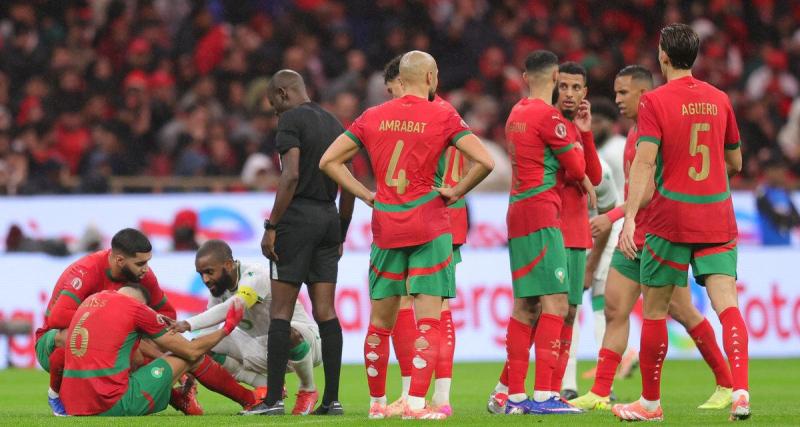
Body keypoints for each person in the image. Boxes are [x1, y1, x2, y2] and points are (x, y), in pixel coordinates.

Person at [320, 50, 494, 419]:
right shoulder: (443, 113)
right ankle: (416, 403)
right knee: (427, 320)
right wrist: (457, 190)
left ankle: (377, 405)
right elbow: (487, 161)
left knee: (380, 322)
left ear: (400, 79)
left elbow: (328, 161)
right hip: (429, 224)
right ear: (431, 77)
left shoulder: (373, 116)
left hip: (386, 225)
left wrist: (367, 193)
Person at [571, 64, 735, 414]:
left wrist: (614, 217)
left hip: (660, 234)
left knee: (683, 311)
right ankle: (601, 390)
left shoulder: (658, 125)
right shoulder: (631, 133)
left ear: (644, 94)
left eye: (623, 93)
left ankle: (725, 381)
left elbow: (647, 192)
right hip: (635, 235)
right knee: (615, 307)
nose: (617, 100)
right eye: (615, 92)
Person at [615, 24, 748, 421]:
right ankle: (740, 391)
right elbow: (736, 163)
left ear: (663, 57)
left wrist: (630, 218)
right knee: (728, 306)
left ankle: (650, 404)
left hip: (670, 219)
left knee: (655, 310)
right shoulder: (720, 99)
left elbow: (644, 161)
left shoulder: (654, 102)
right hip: (717, 215)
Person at [486, 50, 594, 416]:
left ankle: (514, 397)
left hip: (518, 212)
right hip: (542, 213)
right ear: (553, 78)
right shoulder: (549, 117)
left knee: (525, 305)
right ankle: (546, 394)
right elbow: (577, 167)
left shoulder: (516, 113)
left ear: (524, 76)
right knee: (558, 305)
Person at [252, 70, 354, 416]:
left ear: (282, 93)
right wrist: (341, 229)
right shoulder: (335, 123)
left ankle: (272, 402)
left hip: (297, 218)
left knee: (280, 310)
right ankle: (332, 400)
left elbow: (291, 174)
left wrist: (272, 225)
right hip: (328, 217)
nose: (275, 114)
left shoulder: (290, 121)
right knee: (326, 310)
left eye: (273, 106)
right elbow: (350, 180)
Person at [380, 54, 462, 418]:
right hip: (438, 216)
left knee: (419, 308)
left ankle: (428, 397)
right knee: (430, 308)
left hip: (428, 219)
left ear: (406, 80)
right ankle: (429, 397)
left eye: (392, 89)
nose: (392, 97)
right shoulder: (443, 111)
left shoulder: (429, 114)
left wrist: (451, 190)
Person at [34, 228, 177, 416]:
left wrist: (141, 330)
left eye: (148, 262)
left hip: (102, 349)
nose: (146, 268)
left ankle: (176, 394)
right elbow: (57, 317)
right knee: (76, 336)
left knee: (155, 341)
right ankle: (55, 394)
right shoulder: (87, 270)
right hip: (52, 343)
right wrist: (108, 323)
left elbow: (168, 314)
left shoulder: (143, 275)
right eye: (141, 263)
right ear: (119, 260)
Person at [172, 240, 322, 415]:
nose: (205, 279)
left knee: (286, 332)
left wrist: (188, 323)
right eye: (201, 274)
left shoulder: (255, 275)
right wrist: (191, 359)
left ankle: (308, 390)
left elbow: (235, 305)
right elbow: (205, 335)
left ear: (228, 265)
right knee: (205, 344)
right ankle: (268, 387)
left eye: (209, 272)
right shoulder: (219, 291)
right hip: (263, 348)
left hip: (306, 343)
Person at [60, 284, 248, 416]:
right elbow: (191, 351)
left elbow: (137, 359)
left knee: (139, 366)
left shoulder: (93, 301)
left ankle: (180, 397)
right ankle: (250, 399)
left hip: (71, 405)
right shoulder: (136, 309)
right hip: (109, 406)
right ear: (142, 305)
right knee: (192, 357)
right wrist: (227, 328)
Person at [547, 61, 603, 400]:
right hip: (552, 230)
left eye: (576, 88)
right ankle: (518, 388)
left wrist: (585, 131)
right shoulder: (548, 124)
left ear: (585, 92)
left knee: (569, 313)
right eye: (564, 86)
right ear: (555, 86)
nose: (569, 93)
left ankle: (554, 390)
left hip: (577, 232)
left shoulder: (576, 129)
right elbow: (575, 174)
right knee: (544, 312)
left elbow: (593, 176)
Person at [755, 157, 800, 245]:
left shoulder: (785, 193)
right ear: (768, 172)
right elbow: (774, 218)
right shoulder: (762, 193)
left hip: (786, 247)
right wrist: (786, 219)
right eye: (778, 170)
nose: (782, 174)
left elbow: (797, 219)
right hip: (769, 248)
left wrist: (786, 219)